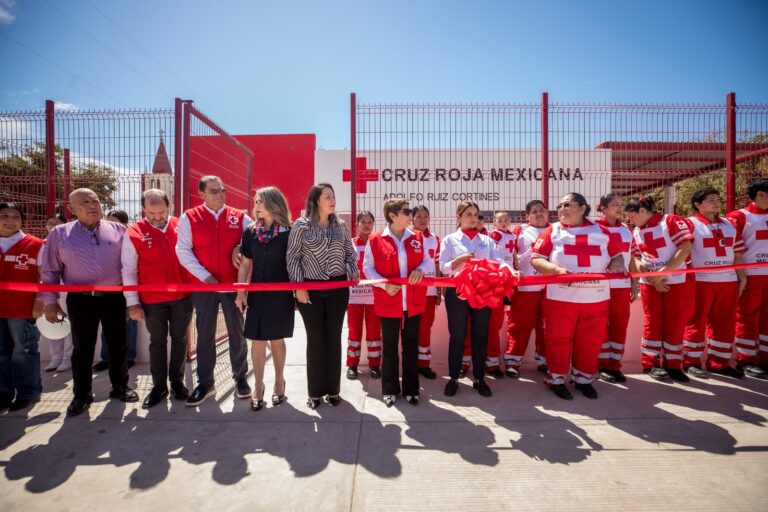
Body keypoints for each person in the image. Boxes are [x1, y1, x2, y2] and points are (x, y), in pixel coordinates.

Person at [41, 188, 139, 416]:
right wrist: (49, 301)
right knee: (82, 347)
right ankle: (82, 394)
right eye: (84, 203)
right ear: (72, 209)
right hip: (81, 299)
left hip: (114, 297)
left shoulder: (119, 230)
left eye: (95, 201)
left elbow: (131, 265)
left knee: (118, 344)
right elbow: (50, 271)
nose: (92, 205)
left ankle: (120, 386)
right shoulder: (59, 234)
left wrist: (133, 298)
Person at [531, 192, 625, 400]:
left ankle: (583, 379)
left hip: (596, 298)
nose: (561, 209)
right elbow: (536, 259)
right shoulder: (551, 231)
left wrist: (617, 267)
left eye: (567, 205)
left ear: (582, 208)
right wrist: (556, 271)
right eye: (560, 205)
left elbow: (617, 257)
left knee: (590, 341)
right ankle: (556, 379)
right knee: (558, 340)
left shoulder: (602, 231)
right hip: (560, 299)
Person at [176, 175, 253, 406]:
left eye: (222, 190)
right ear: (201, 194)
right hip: (205, 287)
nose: (220, 194)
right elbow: (183, 251)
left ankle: (241, 379)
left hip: (232, 285)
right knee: (205, 335)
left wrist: (240, 246)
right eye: (214, 191)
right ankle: (206, 383)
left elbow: (253, 240)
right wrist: (205, 277)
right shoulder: (189, 217)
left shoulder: (240, 217)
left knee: (237, 333)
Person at [287, 183, 358, 409]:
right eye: (328, 196)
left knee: (334, 339)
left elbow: (350, 253)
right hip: (310, 290)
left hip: (338, 288)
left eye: (333, 196)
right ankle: (315, 393)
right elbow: (292, 257)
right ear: (316, 200)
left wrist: (352, 269)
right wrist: (299, 286)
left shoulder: (341, 226)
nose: (333, 200)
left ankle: (334, 391)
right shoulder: (301, 226)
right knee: (316, 340)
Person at [121, 190, 194, 409]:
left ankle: (177, 382)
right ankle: (159, 386)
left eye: (161, 212)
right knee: (157, 342)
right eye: (151, 213)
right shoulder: (134, 232)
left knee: (180, 339)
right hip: (152, 299)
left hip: (183, 296)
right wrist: (132, 302)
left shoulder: (182, 225)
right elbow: (128, 269)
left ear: (169, 206)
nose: (157, 217)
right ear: (144, 209)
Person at [439, 201, 514, 398]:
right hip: (457, 292)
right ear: (458, 217)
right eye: (468, 214)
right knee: (457, 335)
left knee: (481, 335)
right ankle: (453, 378)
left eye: (476, 215)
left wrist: (510, 270)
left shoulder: (487, 241)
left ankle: (479, 379)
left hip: (483, 292)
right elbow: (443, 266)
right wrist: (458, 261)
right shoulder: (449, 240)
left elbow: (499, 261)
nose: (473, 218)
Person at [363, 199, 429, 406]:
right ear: (392, 215)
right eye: (406, 211)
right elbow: (368, 268)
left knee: (411, 346)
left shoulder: (417, 236)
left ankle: (411, 390)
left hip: (413, 301)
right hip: (389, 301)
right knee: (390, 347)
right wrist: (384, 285)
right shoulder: (375, 239)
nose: (411, 214)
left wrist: (420, 269)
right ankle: (389, 389)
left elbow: (427, 260)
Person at [235, 187, 294, 411]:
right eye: (256, 201)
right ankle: (258, 387)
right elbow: (245, 265)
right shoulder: (251, 232)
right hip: (257, 295)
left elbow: (295, 264)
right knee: (257, 341)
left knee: (277, 340)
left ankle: (279, 383)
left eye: (261, 201)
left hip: (281, 295)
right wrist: (241, 293)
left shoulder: (289, 232)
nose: (257, 205)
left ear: (273, 203)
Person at [625, 195, 694, 383]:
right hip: (650, 282)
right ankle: (650, 363)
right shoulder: (636, 231)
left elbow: (685, 247)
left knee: (676, 322)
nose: (630, 220)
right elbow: (636, 258)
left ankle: (673, 365)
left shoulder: (670, 221)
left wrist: (663, 273)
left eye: (631, 216)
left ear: (642, 211)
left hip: (678, 281)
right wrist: (653, 278)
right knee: (652, 321)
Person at [682, 187, 746, 379]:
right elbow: (683, 251)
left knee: (725, 323)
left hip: (727, 280)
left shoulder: (729, 225)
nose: (717, 203)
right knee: (696, 321)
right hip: (701, 281)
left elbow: (737, 254)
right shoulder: (690, 224)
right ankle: (691, 362)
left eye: (718, 199)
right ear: (697, 204)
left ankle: (720, 362)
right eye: (711, 200)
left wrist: (741, 277)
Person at [0, 202, 44, 412]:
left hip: (23, 310)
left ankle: (28, 393)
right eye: (4, 216)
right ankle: (3, 394)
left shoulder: (35, 244)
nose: (10, 220)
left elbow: (45, 277)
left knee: (24, 351)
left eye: (15, 216)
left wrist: (39, 303)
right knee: (1, 353)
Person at [594, 193, 639, 383]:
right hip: (600, 286)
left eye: (621, 204)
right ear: (603, 208)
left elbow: (632, 258)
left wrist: (635, 283)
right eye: (615, 204)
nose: (620, 208)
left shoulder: (627, 229)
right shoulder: (593, 228)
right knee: (600, 326)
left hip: (622, 285)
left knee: (620, 325)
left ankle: (615, 365)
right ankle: (601, 365)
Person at [727, 178, 768, 379]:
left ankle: (765, 358)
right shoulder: (739, 216)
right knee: (746, 316)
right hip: (750, 275)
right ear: (760, 194)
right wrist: (739, 275)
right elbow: (733, 247)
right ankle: (747, 360)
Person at [503, 200, 549, 377]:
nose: (539, 214)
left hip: (550, 288)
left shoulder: (556, 230)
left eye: (542, 210)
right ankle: (513, 361)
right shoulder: (519, 231)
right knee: (519, 325)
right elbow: (506, 254)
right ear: (527, 216)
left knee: (547, 327)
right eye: (534, 211)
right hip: (525, 287)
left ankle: (544, 361)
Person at [94, 209, 137, 372]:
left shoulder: (131, 237)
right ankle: (106, 358)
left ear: (124, 224)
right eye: (107, 221)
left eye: (114, 221)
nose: (109, 225)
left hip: (127, 287)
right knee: (106, 324)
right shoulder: (102, 238)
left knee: (129, 324)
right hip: (107, 288)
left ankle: (129, 357)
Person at [345, 211, 382, 380]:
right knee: (354, 331)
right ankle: (352, 365)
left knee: (374, 331)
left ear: (373, 224)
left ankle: (375, 365)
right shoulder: (350, 244)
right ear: (357, 224)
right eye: (363, 222)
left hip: (374, 295)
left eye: (370, 222)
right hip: (354, 296)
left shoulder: (378, 243)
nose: (367, 225)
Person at [482, 210, 517, 378]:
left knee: (495, 325)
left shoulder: (513, 236)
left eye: (506, 219)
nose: (504, 222)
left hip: (506, 278)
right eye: (500, 220)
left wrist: (514, 266)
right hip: (494, 278)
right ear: (494, 224)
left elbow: (514, 254)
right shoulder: (493, 236)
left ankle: (492, 362)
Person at [411, 205, 440, 379]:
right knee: (409, 329)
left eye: (426, 216)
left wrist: (438, 290)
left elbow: (436, 264)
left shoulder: (435, 238)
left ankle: (424, 364)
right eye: (419, 216)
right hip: (411, 290)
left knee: (425, 328)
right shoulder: (406, 236)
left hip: (429, 291)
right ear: (412, 218)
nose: (423, 220)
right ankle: (409, 363)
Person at [42, 213, 73, 373]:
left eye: (56, 223)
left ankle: (68, 357)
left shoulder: (68, 242)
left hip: (67, 289)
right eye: (49, 223)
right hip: (48, 290)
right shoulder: (42, 244)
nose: (52, 226)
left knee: (67, 323)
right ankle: (55, 357)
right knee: (52, 321)